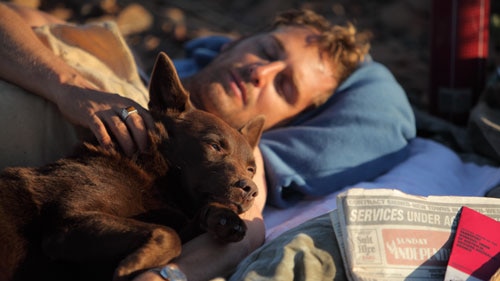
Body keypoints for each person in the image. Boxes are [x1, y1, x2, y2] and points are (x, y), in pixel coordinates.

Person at [0, 3, 416, 281]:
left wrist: (167, 276)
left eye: (285, 86)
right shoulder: (111, 60)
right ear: (233, 41)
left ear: (287, 122)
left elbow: (244, 233)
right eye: (267, 50)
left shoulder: (241, 164)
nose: (261, 73)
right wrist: (65, 84)